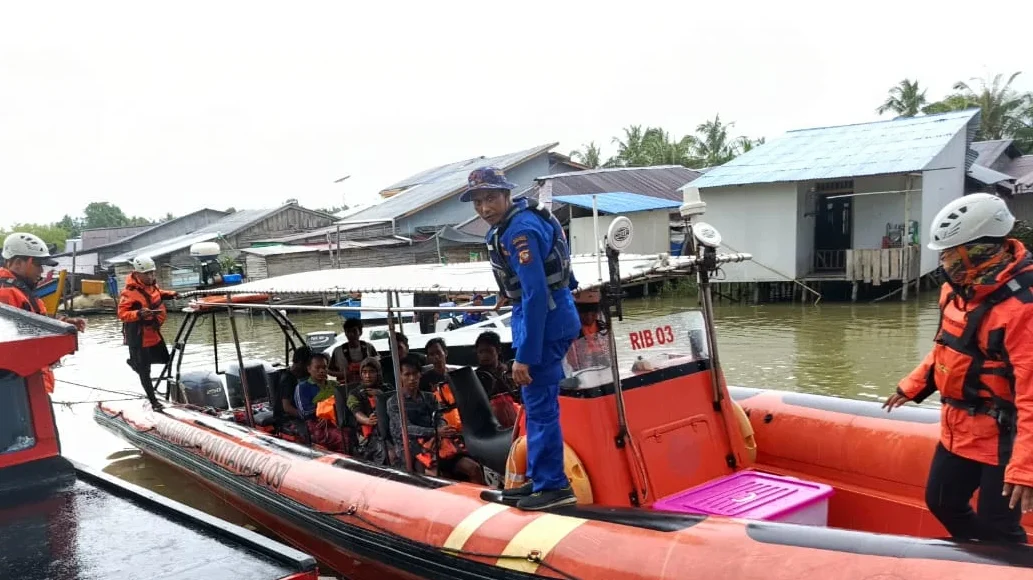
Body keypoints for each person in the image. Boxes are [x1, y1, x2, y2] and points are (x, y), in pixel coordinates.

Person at [884, 193, 1033, 543]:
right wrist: (913, 385)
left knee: (999, 527)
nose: (946, 262)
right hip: (960, 427)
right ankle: (980, 557)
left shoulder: (1022, 308)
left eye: (952, 253)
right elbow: (947, 348)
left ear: (980, 250)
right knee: (941, 501)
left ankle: (1005, 562)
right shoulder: (956, 291)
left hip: (1006, 435)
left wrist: (1025, 468)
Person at [462, 166, 581, 510]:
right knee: (536, 404)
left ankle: (553, 487)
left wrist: (525, 355)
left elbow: (536, 294)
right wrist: (507, 295)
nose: (484, 208)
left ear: (506, 195)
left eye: (490, 198)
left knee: (541, 406)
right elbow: (527, 285)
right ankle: (540, 480)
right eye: (478, 202)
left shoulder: (520, 231)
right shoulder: (512, 225)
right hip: (549, 315)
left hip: (546, 323)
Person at [0, 233, 87, 395]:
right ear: (18, 263)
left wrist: (62, 322)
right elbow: (13, 349)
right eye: (38, 264)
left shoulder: (19, 291)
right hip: (21, 387)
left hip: (33, 382)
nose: (41, 270)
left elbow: (32, 323)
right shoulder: (6, 295)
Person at [387, 356, 483, 482]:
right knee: (436, 476)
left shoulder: (429, 397)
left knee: (474, 468)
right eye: (407, 374)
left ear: (420, 375)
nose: (412, 378)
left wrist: (441, 430)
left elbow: (440, 417)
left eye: (415, 374)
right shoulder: (394, 402)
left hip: (438, 443)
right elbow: (406, 428)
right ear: (400, 377)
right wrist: (435, 432)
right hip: (412, 448)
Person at [117, 255, 178, 410]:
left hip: (154, 333)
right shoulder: (129, 293)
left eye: (152, 273)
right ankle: (154, 402)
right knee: (145, 371)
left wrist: (170, 294)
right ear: (137, 274)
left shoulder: (152, 286)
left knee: (166, 359)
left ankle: (135, 364)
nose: (151, 276)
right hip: (139, 337)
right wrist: (137, 314)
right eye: (147, 274)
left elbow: (157, 294)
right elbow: (122, 314)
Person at [293, 353, 344, 451]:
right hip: (316, 425)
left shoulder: (335, 385)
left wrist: (330, 414)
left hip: (338, 420)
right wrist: (325, 414)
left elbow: (344, 404)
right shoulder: (302, 387)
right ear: (309, 369)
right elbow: (304, 412)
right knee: (341, 438)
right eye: (317, 368)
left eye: (324, 368)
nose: (321, 371)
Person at [347, 357, 388, 464]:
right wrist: (367, 420)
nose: (368, 376)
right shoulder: (354, 393)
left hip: (390, 428)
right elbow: (356, 412)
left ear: (378, 373)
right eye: (364, 372)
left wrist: (381, 395)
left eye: (371, 372)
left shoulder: (387, 388)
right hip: (368, 436)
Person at [475, 330, 519, 428]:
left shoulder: (510, 371)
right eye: (481, 352)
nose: (484, 356)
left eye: (488, 351)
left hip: (517, 418)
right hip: (491, 425)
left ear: (498, 350)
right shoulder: (475, 377)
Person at [420, 337, 462, 432]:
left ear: (445, 353)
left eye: (438, 353)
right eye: (431, 354)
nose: (436, 357)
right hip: (439, 422)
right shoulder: (424, 379)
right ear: (428, 358)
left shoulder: (456, 374)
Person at [566, 289, 611, 369]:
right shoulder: (570, 332)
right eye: (584, 311)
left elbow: (609, 357)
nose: (589, 316)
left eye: (593, 311)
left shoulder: (603, 328)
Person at [329, 318, 378, 385]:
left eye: (354, 331)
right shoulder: (337, 351)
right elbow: (330, 371)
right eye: (348, 331)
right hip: (346, 387)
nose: (351, 334)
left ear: (360, 332)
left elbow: (378, 365)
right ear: (345, 333)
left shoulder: (368, 347)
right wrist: (344, 374)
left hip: (368, 386)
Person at [278, 346, 312, 419]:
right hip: (289, 419)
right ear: (301, 363)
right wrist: (307, 417)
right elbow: (287, 408)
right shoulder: (288, 379)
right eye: (309, 364)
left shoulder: (304, 375)